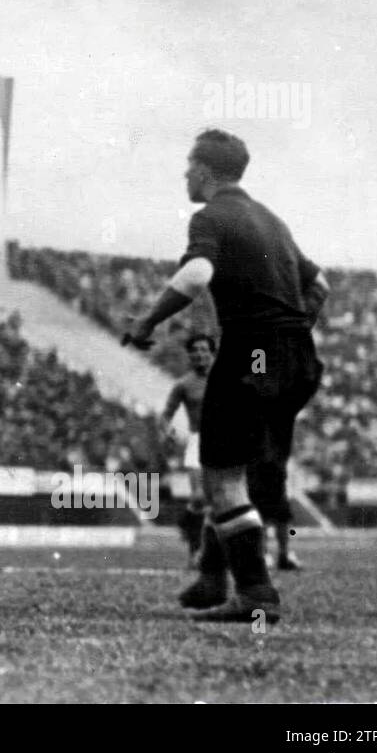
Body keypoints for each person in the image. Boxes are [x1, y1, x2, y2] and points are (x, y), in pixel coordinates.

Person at [123, 130, 326, 625]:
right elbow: (318, 286)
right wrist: (291, 333)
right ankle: (213, 575)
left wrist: (148, 322)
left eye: (189, 165)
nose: (185, 174)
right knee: (241, 471)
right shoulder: (270, 219)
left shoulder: (210, 216)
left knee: (222, 475)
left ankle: (255, 593)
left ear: (206, 170)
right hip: (297, 359)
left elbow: (195, 277)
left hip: (250, 352)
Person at [161, 333, 216, 565]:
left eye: (204, 349)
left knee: (225, 500)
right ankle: (195, 552)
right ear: (190, 356)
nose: (200, 354)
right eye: (195, 351)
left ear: (211, 353)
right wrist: (168, 431)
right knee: (199, 497)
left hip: (225, 441)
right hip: (198, 441)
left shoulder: (226, 378)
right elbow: (166, 415)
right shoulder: (184, 384)